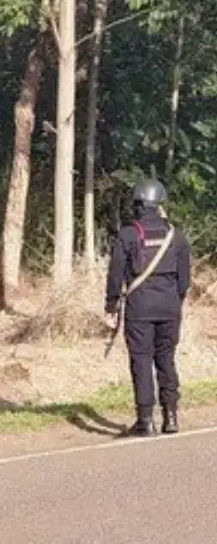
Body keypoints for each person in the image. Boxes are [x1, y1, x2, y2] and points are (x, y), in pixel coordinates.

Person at [104, 178, 191, 436]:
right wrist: (174, 302)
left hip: (139, 308)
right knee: (166, 358)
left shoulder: (128, 234)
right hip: (170, 307)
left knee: (141, 360)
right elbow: (184, 281)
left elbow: (115, 273)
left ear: (139, 204)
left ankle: (145, 420)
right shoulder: (177, 236)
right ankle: (171, 416)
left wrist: (111, 305)